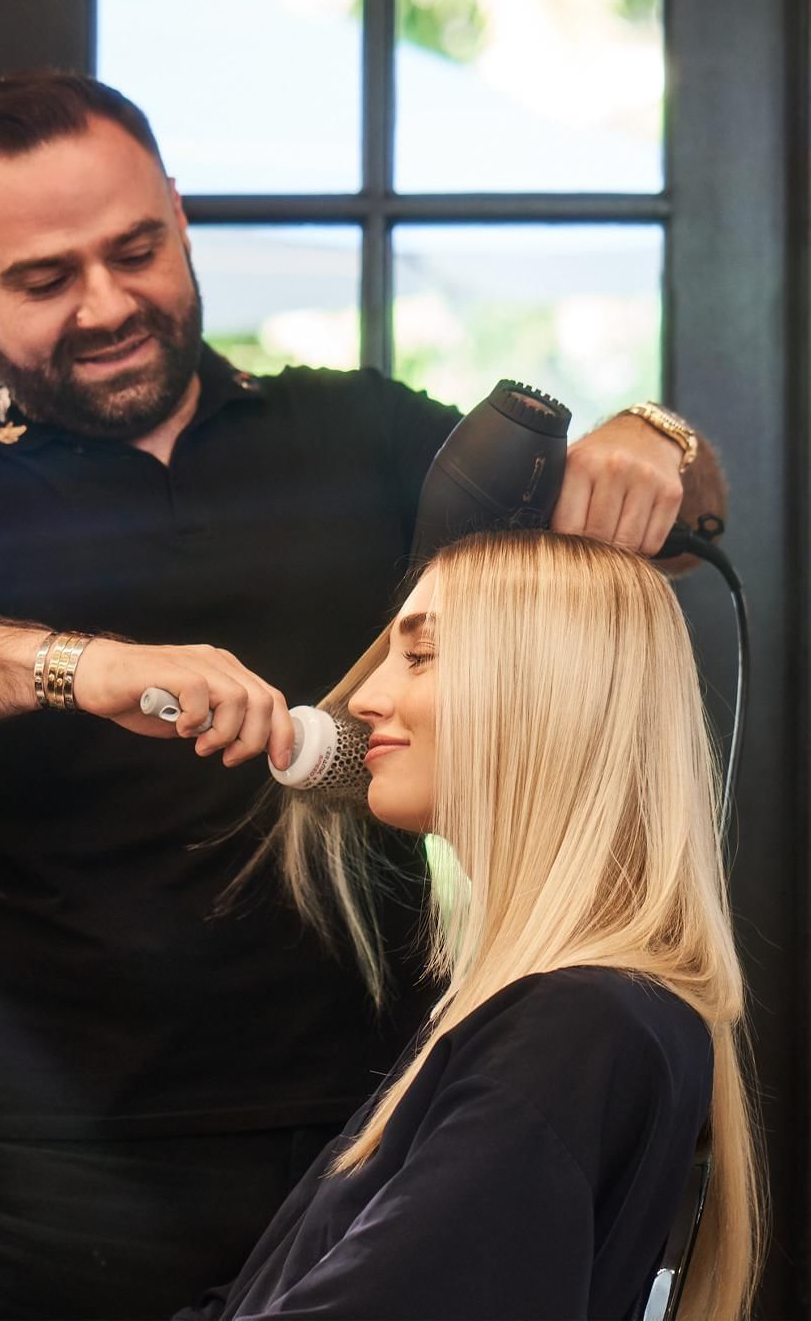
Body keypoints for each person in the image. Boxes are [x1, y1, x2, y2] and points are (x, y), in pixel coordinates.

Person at [0, 71, 727, 1319]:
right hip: (55, 1173)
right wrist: (78, 667)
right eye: (46, 279)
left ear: (181, 221)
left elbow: (663, 525)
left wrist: (657, 446)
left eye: (136, 250)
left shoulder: (352, 431)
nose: (107, 304)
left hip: (369, 1127)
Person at [179, 530, 762, 1321]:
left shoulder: (574, 1028)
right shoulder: (570, 1015)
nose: (362, 700)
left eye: (419, 658)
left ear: (547, 691)